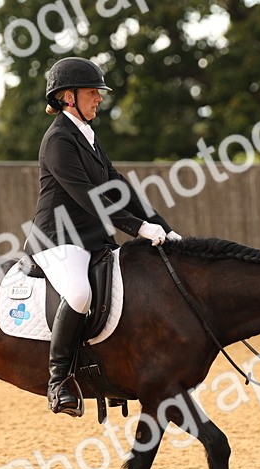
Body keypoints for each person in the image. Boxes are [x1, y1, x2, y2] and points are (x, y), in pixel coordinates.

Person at [25, 57, 181, 414]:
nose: (99, 99)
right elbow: (89, 199)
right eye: (93, 92)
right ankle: (59, 380)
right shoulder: (58, 141)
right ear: (68, 97)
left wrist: (165, 227)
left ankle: (109, 373)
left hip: (94, 240)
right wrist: (139, 228)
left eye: (99, 93)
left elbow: (119, 187)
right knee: (80, 293)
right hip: (58, 238)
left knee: (126, 290)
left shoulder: (90, 138)